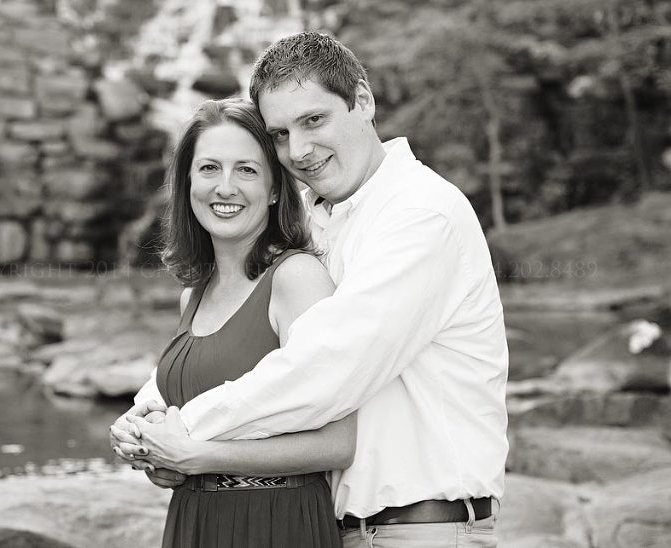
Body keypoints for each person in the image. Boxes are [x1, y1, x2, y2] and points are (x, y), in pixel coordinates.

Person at [117, 31, 508, 547]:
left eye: (313, 120)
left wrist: (182, 433)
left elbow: (324, 368)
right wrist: (145, 416)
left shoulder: (419, 215)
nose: (298, 150)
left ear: (362, 100)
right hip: (334, 527)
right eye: (279, 134)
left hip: (420, 529)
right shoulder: (319, 222)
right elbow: (231, 337)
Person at [110, 97, 352, 548]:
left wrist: (196, 457)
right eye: (208, 169)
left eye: (246, 170)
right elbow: (186, 425)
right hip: (193, 521)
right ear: (186, 183)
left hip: (278, 525)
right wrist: (143, 443)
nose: (225, 187)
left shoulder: (297, 278)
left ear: (276, 188)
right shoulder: (194, 293)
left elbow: (338, 442)